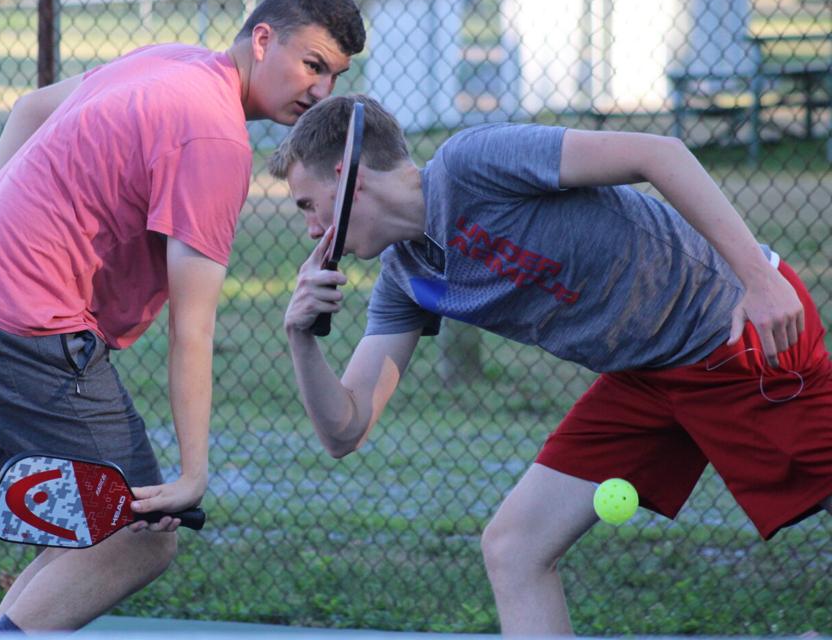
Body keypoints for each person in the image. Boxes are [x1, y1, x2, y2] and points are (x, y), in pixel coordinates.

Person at [0, 0, 365, 633]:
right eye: (313, 64)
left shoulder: (170, 61)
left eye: (336, 77)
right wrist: (192, 474)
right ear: (263, 40)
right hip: (18, 332)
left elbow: (29, 107)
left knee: (88, 531)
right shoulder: (215, 139)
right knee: (138, 534)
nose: (321, 91)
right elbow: (193, 326)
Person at [271, 94, 832, 636]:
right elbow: (346, 429)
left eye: (307, 204)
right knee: (514, 546)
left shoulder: (473, 164)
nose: (312, 230)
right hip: (645, 377)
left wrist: (761, 280)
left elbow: (659, 153)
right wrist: (302, 338)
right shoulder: (407, 279)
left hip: (734, 331)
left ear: (349, 178)